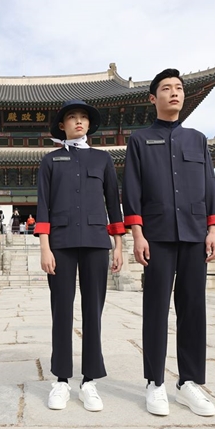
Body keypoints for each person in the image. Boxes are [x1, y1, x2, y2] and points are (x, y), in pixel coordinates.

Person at [122, 69, 215, 417]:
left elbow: (210, 185)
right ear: (153, 98)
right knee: (155, 309)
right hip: (157, 235)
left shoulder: (198, 139)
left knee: (194, 308)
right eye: (166, 89)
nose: (174, 93)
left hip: (195, 234)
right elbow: (131, 189)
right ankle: (155, 382)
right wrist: (137, 233)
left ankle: (189, 383)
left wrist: (213, 229)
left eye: (179, 88)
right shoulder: (139, 139)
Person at [35, 98, 124, 413]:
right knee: (61, 310)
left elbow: (114, 204)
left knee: (93, 312)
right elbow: (43, 205)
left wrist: (119, 245)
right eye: (71, 118)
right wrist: (44, 246)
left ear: (89, 125)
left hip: (97, 242)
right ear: (62, 125)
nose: (78, 122)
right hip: (60, 242)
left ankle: (89, 381)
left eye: (83, 118)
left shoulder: (102, 160)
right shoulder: (50, 160)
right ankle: (61, 379)